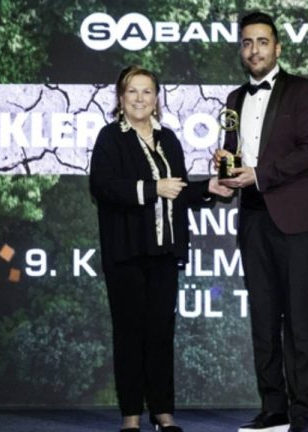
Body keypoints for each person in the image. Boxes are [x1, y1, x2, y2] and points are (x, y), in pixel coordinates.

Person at [90, 65, 232, 432]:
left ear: (157, 99)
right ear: (121, 98)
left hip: (164, 252)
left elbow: (177, 191)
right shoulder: (110, 138)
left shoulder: (168, 139)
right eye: (132, 91)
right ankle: (131, 415)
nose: (140, 98)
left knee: (160, 332)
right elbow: (103, 187)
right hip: (126, 252)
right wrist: (153, 189)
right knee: (129, 333)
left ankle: (163, 412)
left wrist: (208, 188)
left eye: (147, 92)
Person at [214, 11, 308, 432]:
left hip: (295, 218)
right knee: (263, 319)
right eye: (247, 42)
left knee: (297, 320)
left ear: (277, 48)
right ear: (241, 50)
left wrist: (259, 175)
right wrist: (225, 165)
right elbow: (234, 153)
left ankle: (301, 415)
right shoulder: (233, 99)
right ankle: (273, 409)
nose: (254, 50)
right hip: (252, 219)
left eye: (262, 42)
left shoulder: (301, 90)